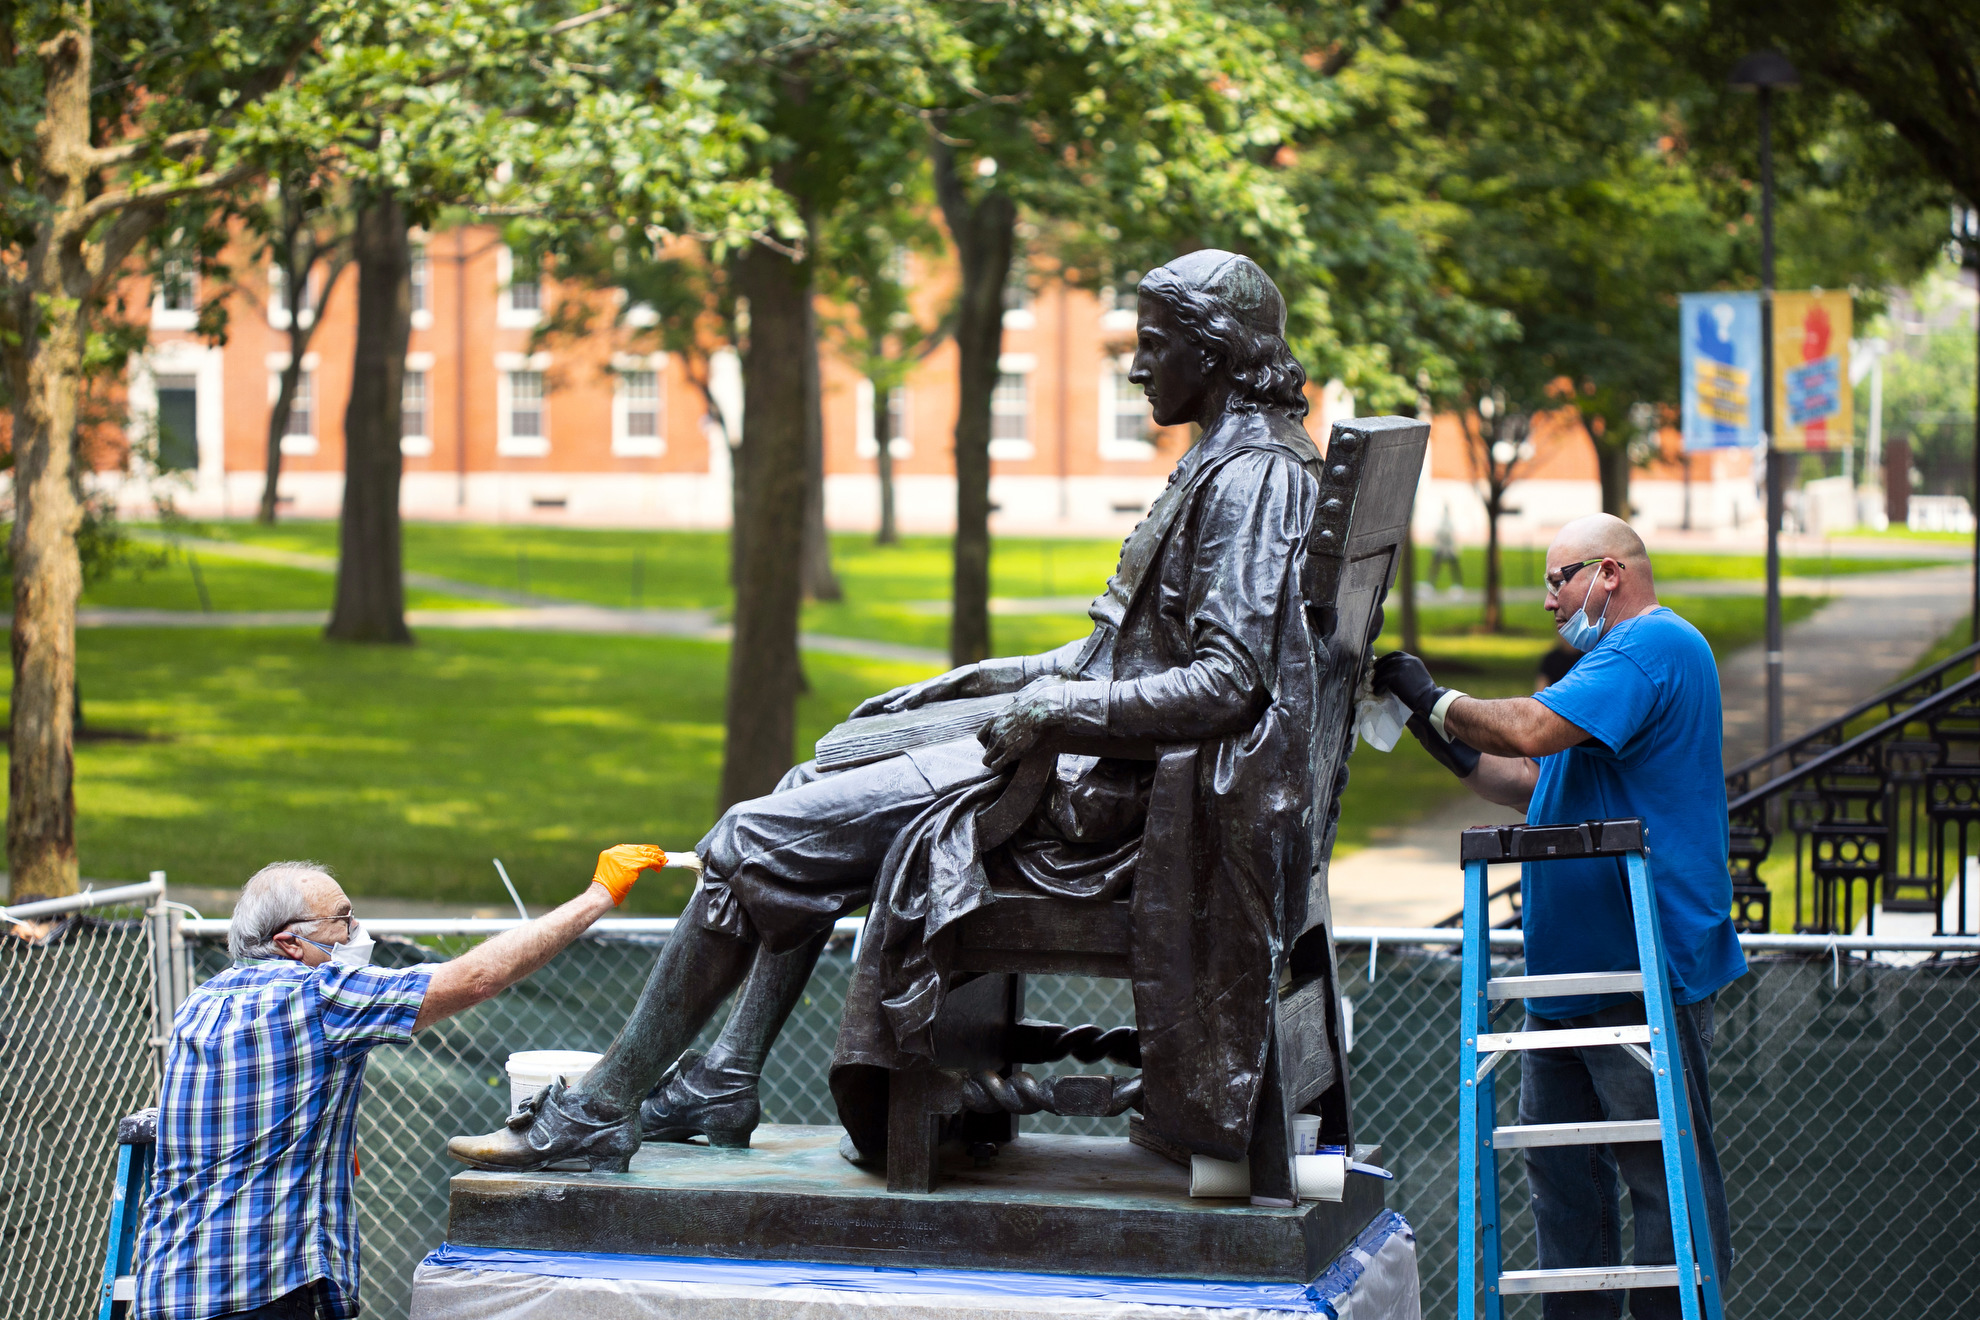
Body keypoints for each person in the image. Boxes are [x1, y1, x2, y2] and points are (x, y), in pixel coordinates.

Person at [448, 248, 1334, 1174]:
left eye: (1153, 345)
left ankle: (600, 1107)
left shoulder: (1252, 482)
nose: (1138, 366)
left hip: (1106, 812)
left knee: (751, 838)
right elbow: (1123, 652)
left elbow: (1228, 684)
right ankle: (724, 1076)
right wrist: (972, 683)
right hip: (1097, 770)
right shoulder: (1231, 461)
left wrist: (1049, 712)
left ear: (1217, 348)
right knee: (814, 776)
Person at [1373, 513, 1743, 1320]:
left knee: (1663, 1182)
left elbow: (1533, 726)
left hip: (1642, 966)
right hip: (1566, 970)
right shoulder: (1610, 671)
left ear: (1608, 574)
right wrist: (1422, 719)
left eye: (1557, 580)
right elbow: (1523, 777)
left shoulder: (1653, 647)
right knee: (1561, 1188)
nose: (1548, 602)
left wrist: (1439, 698)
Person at [131, 845, 670, 1320]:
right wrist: (598, 895)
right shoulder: (319, 997)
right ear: (290, 943)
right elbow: (478, 979)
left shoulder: (201, 1002)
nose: (357, 933)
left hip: (172, 1283)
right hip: (258, 1291)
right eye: (342, 921)